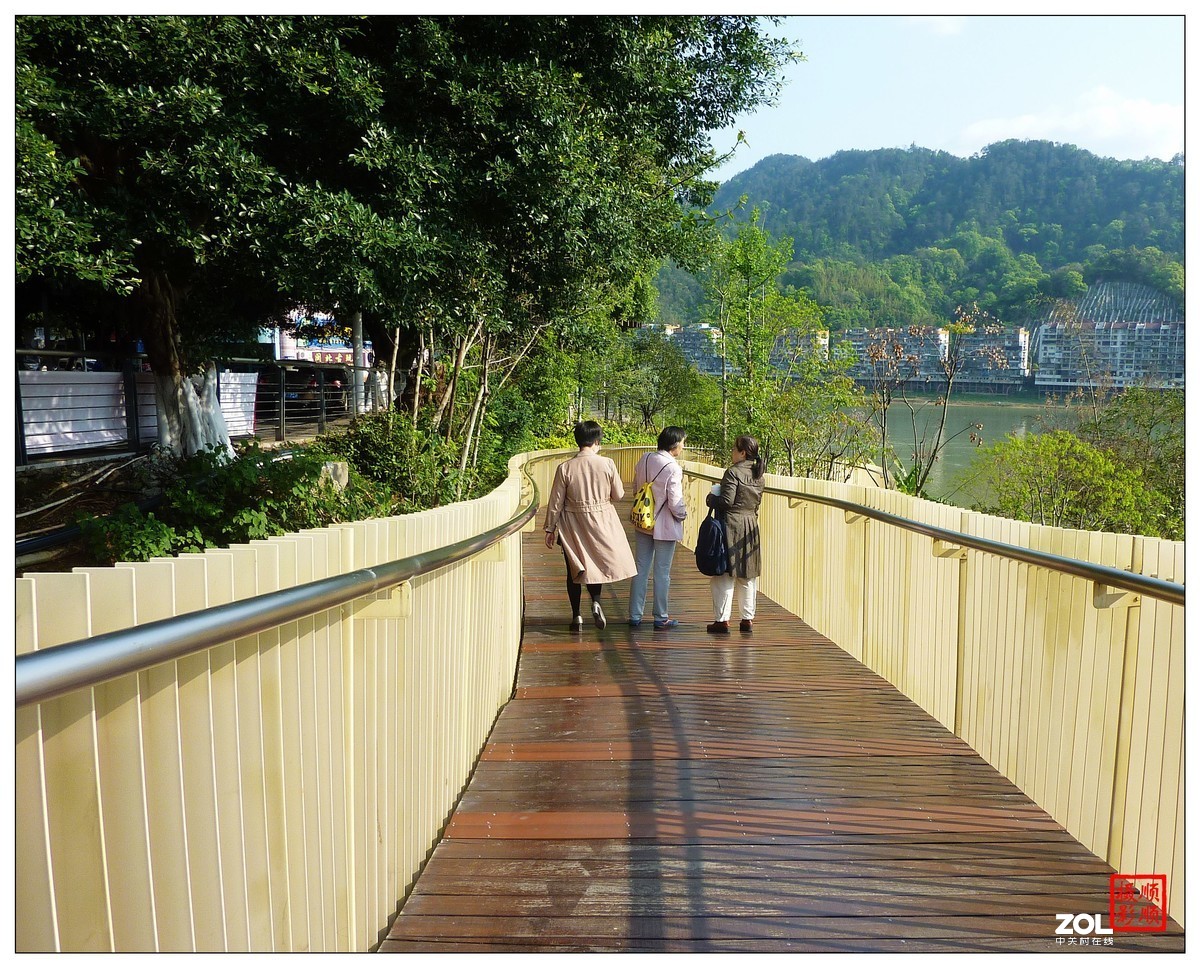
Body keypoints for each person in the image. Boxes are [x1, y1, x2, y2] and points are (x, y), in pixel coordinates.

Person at [543, 420, 638, 632]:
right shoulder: (607, 464)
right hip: (602, 519)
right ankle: (596, 601)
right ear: (597, 441)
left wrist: (550, 528)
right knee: (597, 563)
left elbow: (556, 501)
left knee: (575, 568)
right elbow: (619, 495)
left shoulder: (565, 467)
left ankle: (576, 616)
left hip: (573, 523)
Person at [628, 426, 689, 630]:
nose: (683, 446)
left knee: (640, 567)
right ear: (674, 444)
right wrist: (683, 515)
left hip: (644, 520)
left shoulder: (645, 458)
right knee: (662, 571)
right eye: (682, 442)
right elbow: (675, 502)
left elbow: (636, 488)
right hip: (663, 525)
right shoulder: (673, 468)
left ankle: (635, 614)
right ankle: (660, 616)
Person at [705, 434, 765, 635]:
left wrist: (711, 498)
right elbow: (756, 504)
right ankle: (747, 619)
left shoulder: (732, 473)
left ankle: (722, 621)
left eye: (734, 448)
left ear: (743, 452)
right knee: (747, 574)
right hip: (750, 524)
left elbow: (726, 502)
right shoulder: (759, 475)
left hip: (731, 524)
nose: (732, 451)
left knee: (724, 574)